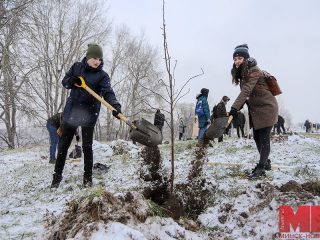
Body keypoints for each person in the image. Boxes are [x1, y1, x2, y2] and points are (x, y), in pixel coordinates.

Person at [51, 44, 122, 188]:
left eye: (100, 59)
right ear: (88, 57)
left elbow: (108, 92)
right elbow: (65, 82)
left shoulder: (102, 76)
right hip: (71, 113)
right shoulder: (77, 67)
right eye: (94, 58)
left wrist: (115, 106)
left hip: (89, 114)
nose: (97, 61)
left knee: (87, 147)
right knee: (63, 146)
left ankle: (87, 180)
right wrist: (72, 81)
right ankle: (56, 179)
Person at [228, 44, 278, 179]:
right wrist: (235, 110)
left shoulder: (254, 70)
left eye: (240, 58)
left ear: (245, 59)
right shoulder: (243, 73)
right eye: (235, 59)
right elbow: (246, 95)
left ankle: (261, 168)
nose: (237, 61)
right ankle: (265, 162)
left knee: (264, 138)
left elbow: (246, 91)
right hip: (257, 110)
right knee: (256, 137)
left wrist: (234, 107)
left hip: (267, 108)